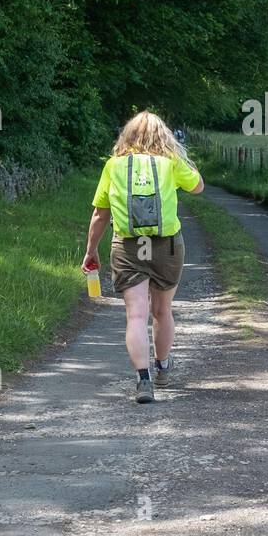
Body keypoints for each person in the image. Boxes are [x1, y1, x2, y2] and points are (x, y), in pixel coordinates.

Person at [83, 111, 204, 404]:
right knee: (162, 311)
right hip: (166, 245)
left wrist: (91, 251)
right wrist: (180, 156)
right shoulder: (170, 163)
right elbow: (198, 187)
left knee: (135, 315)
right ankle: (163, 367)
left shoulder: (113, 166)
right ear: (163, 137)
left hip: (127, 245)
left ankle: (143, 380)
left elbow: (100, 214)